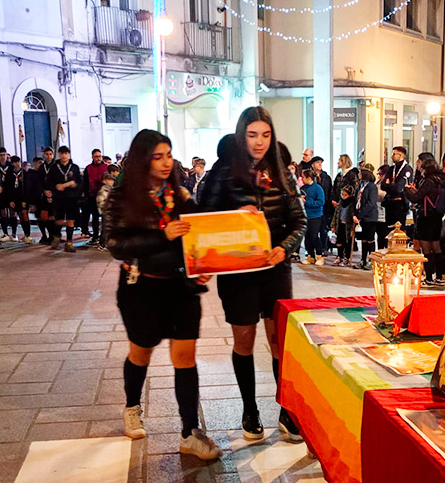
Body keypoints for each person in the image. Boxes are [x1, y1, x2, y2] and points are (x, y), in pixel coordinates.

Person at [102, 130, 220, 460]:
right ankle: (132, 406)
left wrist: (203, 264)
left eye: (168, 155)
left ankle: (189, 432)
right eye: (158, 156)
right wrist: (162, 235)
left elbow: (199, 230)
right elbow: (114, 244)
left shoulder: (179, 193)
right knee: (141, 353)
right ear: (143, 160)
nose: (166, 162)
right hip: (141, 289)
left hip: (181, 288)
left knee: (185, 357)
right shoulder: (122, 195)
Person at [199, 106, 306, 444]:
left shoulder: (282, 172)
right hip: (238, 271)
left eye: (266, 135)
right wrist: (235, 214)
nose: (259, 142)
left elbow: (299, 221)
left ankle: (286, 409)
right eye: (252, 135)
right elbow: (204, 216)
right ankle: (250, 410)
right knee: (244, 340)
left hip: (276, 268)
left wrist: (284, 248)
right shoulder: (224, 171)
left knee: (279, 342)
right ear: (241, 135)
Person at [405, 155, 445, 286]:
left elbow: (416, 198)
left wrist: (407, 190)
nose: (421, 171)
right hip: (437, 216)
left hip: (426, 217)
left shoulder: (429, 181)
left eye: (423, 168)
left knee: (426, 247)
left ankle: (429, 277)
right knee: (436, 246)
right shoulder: (441, 180)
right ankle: (440, 277)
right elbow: (426, 196)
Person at [45, 146, 83, 252]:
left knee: (70, 220)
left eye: (66, 153)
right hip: (59, 197)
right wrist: (54, 187)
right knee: (59, 220)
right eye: (62, 154)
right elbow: (48, 181)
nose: (64, 156)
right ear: (59, 154)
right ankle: (57, 236)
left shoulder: (74, 167)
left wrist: (74, 185)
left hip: (71, 197)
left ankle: (69, 242)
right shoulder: (54, 167)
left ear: (69, 154)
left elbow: (79, 182)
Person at [381, 147, 414, 231]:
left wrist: (390, 184)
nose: (391, 156)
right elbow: (383, 185)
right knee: (389, 229)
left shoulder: (407, 169)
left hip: (400, 204)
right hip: (389, 202)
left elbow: (398, 188)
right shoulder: (392, 169)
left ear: (400, 155)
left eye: (394, 154)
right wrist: (393, 185)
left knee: (398, 230)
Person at [353, 168, 379, 269]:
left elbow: (371, 203)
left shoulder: (372, 187)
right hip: (362, 217)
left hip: (370, 217)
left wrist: (360, 215)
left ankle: (371, 260)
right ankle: (363, 259)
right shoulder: (361, 186)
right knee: (363, 239)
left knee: (370, 239)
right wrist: (356, 214)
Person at [300, 169, 326, 265]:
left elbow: (321, 202)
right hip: (305, 215)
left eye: (303, 177)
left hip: (315, 215)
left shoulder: (317, 188)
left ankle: (319, 255)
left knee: (314, 236)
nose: (301, 179)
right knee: (307, 236)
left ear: (309, 178)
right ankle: (310, 256)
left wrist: (307, 202)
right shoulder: (303, 188)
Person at [83, 149, 109, 243]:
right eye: (96, 156)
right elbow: (85, 183)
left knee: (105, 217)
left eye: (99, 156)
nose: (98, 158)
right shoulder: (88, 168)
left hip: (105, 196)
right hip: (93, 195)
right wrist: (86, 195)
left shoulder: (106, 167)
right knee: (95, 217)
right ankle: (95, 236)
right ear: (92, 157)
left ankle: (104, 237)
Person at [310, 156, 334, 256]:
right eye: (317, 162)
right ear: (313, 165)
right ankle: (311, 249)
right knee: (312, 230)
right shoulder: (310, 176)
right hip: (313, 206)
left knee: (323, 228)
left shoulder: (326, 177)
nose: (320, 164)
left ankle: (324, 247)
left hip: (325, 206)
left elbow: (330, 190)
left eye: (321, 162)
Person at [5, 156, 30, 242]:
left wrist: (25, 199)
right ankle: (14, 233)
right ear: (12, 163)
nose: (17, 164)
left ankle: (27, 234)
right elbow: (7, 188)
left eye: (18, 162)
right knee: (14, 214)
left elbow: (27, 187)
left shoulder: (24, 173)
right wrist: (10, 200)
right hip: (13, 197)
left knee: (24, 214)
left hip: (22, 197)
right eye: (15, 162)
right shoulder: (9, 174)